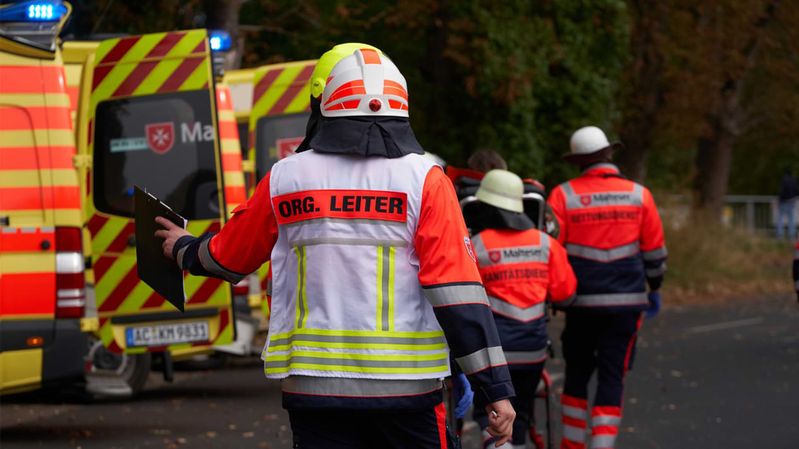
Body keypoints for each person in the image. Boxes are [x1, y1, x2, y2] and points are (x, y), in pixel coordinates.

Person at [155, 43, 516, 449]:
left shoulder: (285, 178)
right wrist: (493, 387)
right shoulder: (425, 181)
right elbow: (457, 294)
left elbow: (229, 259)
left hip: (314, 391)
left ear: (324, 103)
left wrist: (185, 249)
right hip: (406, 391)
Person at [547, 126, 667, 449]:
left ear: (577, 161)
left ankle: (572, 444)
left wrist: (555, 295)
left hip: (580, 305)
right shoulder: (640, 195)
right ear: (609, 154)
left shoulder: (562, 195)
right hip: (626, 304)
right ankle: (602, 444)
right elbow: (655, 254)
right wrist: (654, 288)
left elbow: (551, 252)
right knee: (612, 375)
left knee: (576, 374)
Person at [469, 169, 577, 449]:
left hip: (492, 354)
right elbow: (565, 295)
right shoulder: (547, 245)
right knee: (522, 412)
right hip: (532, 350)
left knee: (488, 413)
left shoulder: (475, 246)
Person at [776, 169, 798, 240]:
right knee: (791, 219)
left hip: (783, 202)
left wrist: (779, 200)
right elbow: (797, 191)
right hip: (791, 202)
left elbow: (781, 191)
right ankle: (792, 235)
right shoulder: (794, 180)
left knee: (780, 219)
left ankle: (780, 235)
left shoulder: (784, 180)